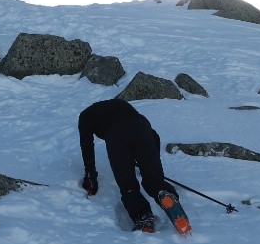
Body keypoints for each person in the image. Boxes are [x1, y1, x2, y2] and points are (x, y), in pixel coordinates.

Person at [77, 98, 190, 234]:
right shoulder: (121, 104)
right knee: (154, 181)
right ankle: (164, 194)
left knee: (128, 186)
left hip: (116, 134)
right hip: (142, 127)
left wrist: (91, 179)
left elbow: (87, 147)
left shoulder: (84, 117)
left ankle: (143, 216)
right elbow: (155, 137)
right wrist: (150, 166)